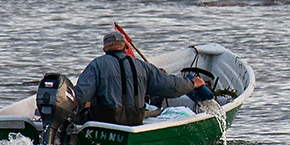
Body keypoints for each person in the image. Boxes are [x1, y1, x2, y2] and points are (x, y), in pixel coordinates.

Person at [74, 31, 206, 125]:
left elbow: (81, 95)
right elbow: (171, 86)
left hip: (105, 121)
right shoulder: (143, 66)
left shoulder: (96, 65)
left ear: (105, 49)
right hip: (135, 119)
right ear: (125, 47)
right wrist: (191, 83)